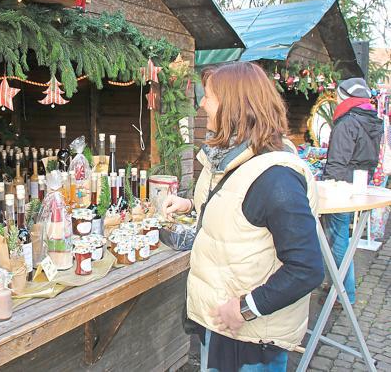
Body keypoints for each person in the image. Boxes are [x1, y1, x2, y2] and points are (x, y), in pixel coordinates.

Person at [163, 62, 324, 371]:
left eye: (208, 96)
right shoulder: (235, 158)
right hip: (224, 324)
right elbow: (240, 210)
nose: (201, 104)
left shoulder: (276, 178)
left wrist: (245, 309)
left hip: (251, 338)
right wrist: (192, 206)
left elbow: (307, 269)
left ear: (233, 106)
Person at [321, 78, 382, 306]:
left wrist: (328, 187)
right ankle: (340, 287)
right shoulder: (372, 119)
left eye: (338, 94)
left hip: (341, 186)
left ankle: (343, 292)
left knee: (336, 237)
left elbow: (337, 160)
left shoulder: (347, 121)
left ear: (345, 96)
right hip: (359, 183)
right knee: (342, 236)